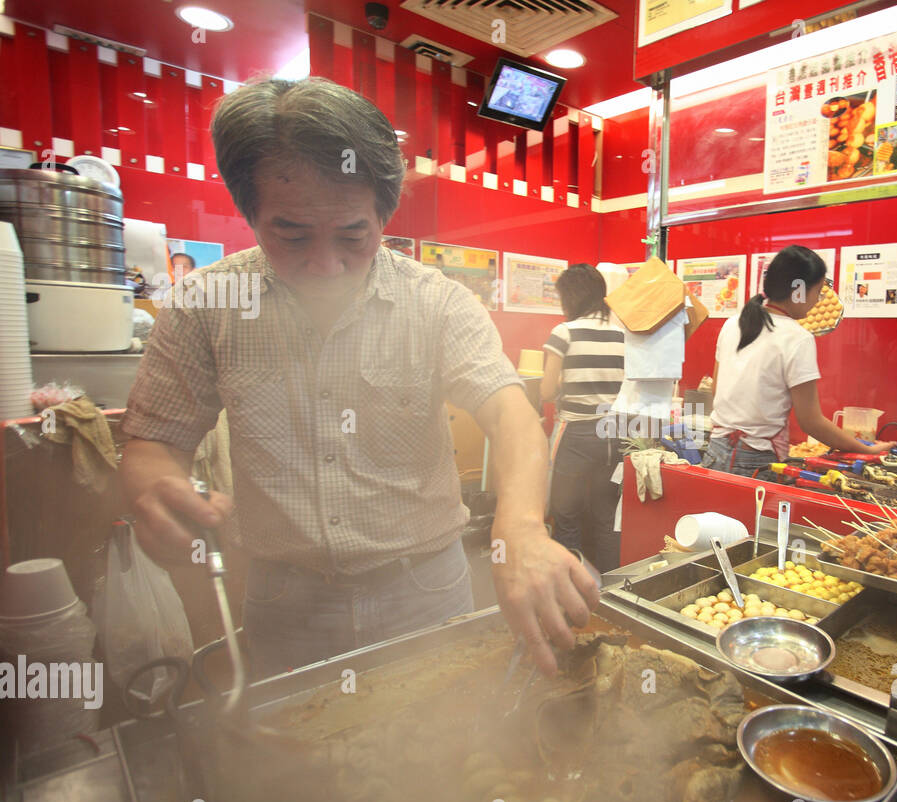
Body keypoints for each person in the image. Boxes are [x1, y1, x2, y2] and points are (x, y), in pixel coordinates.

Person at [120, 77, 596, 678]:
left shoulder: (435, 303)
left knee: (443, 754)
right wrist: (155, 489)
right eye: (290, 234)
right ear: (250, 213)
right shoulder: (205, 303)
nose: (325, 265)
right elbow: (154, 440)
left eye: (353, 235)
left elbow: (511, 413)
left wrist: (523, 527)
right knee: (300, 765)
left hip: (423, 588)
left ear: (383, 214)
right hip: (284, 600)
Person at [701, 245, 895, 475]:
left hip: (716, 451)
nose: (817, 300)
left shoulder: (732, 323)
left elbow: (716, 390)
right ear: (799, 290)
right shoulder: (797, 337)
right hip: (756, 461)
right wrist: (866, 450)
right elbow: (811, 421)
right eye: (818, 291)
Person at [541, 264, 624, 573]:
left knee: (567, 515)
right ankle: (610, 593)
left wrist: (568, 382)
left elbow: (548, 390)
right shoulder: (621, 335)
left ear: (571, 298)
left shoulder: (564, 333)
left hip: (575, 435)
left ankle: (570, 588)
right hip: (614, 434)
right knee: (606, 519)